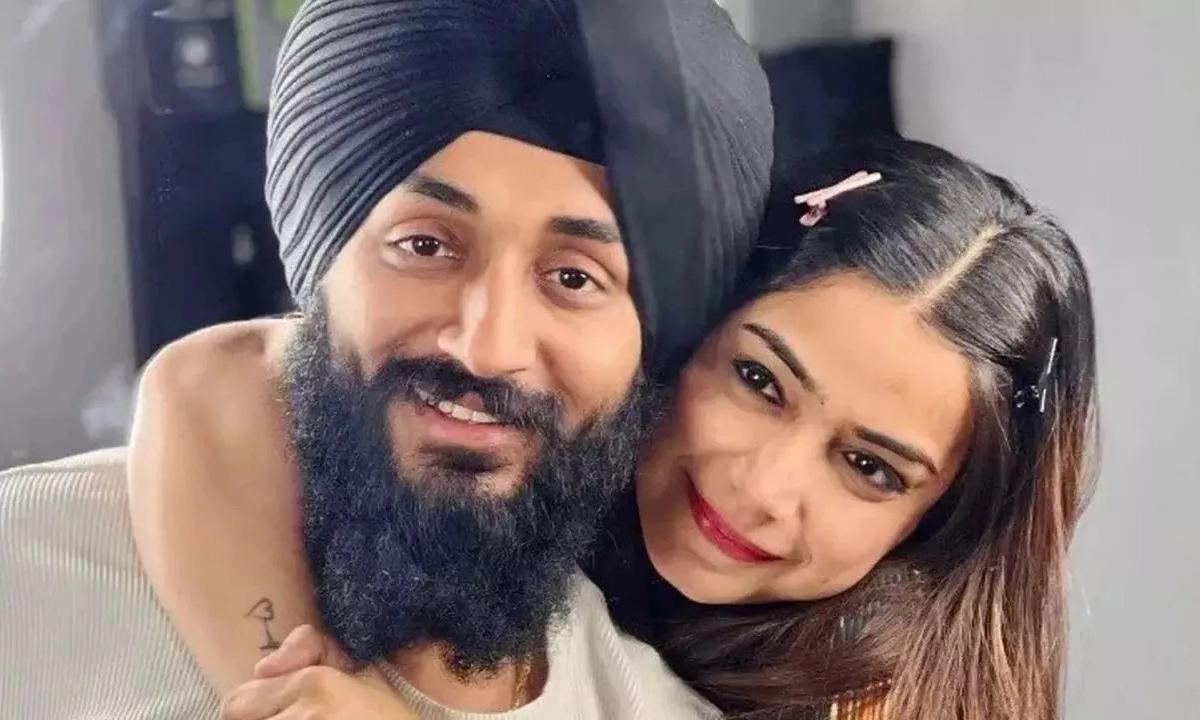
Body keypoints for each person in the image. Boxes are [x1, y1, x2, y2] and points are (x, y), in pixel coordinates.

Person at [131, 138, 1098, 720]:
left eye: (869, 468)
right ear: (679, 328)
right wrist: (303, 684)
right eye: (758, 380)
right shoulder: (546, 450)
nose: (761, 486)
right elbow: (215, 378)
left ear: (936, 525)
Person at [0, 0, 773, 718]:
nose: (486, 347)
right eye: (424, 245)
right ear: (319, 260)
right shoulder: (23, 575)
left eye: (574, 279)